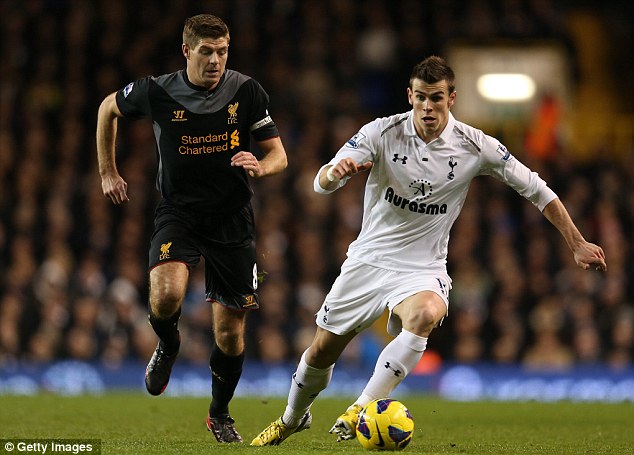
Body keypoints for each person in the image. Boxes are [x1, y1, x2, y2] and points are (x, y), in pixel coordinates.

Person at [250, 55, 607, 446]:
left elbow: (537, 189)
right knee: (321, 351)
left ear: (451, 98)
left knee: (426, 314)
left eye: (436, 98)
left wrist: (577, 242)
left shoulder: (475, 145)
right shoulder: (381, 133)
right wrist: (334, 175)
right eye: (420, 97)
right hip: (368, 260)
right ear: (409, 95)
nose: (427, 107)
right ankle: (291, 418)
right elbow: (321, 181)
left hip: (422, 267)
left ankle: (361, 408)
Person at [96, 14, 287, 443]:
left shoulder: (246, 91)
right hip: (178, 213)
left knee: (230, 332)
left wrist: (261, 165)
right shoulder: (157, 90)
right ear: (187, 51)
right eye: (207, 51)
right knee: (164, 297)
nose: (217, 60)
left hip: (232, 220)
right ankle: (168, 343)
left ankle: (219, 412)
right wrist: (108, 171)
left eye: (223, 51)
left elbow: (279, 155)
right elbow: (108, 108)